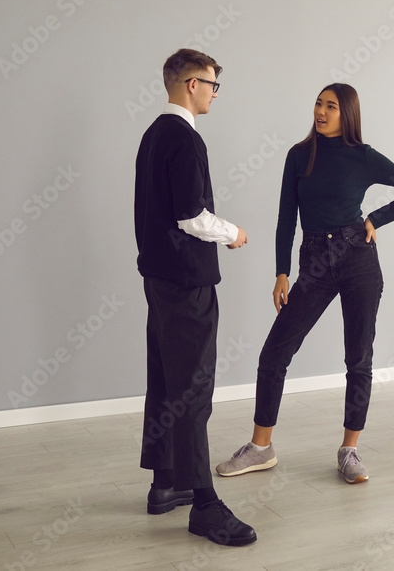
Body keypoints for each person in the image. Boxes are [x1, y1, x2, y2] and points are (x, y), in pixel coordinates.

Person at [215, 83, 394, 484]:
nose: (321, 111)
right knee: (275, 352)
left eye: (331, 106)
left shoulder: (364, 157)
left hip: (358, 259)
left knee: (358, 358)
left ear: (347, 113)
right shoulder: (299, 155)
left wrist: (374, 220)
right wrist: (281, 272)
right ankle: (261, 447)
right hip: (313, 261)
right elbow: (285, 218)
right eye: (318, 103)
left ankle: (350, 451)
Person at [135, 48, 255, 546]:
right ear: (190, 84)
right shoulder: (185, 139)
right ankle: (205, 503)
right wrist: (233, 233)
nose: (213, 93)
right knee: (193, 391)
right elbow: (191, 216)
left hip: (160, 280)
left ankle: (167, 482)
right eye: (211, 84)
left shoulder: (151, 136)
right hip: (187, 282)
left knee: (166, 378)